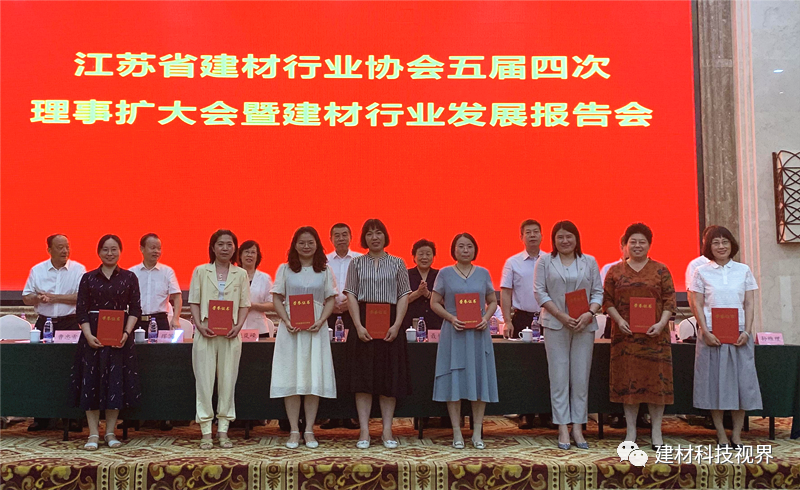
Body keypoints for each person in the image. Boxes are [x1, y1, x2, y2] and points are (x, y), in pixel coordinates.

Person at [603, 223, 676, 449]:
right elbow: (607, 301)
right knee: (629, 383)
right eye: (632, 242)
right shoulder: (615, 271)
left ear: (649, 244)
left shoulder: (661, 270)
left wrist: (661, 323)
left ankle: (656, 431)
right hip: (625, 339)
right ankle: (631, 431)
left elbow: (669, 301)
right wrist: (619, 320)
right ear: (625, 245)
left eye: (642, 242)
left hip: (656, 338)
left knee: (657, 384)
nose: (637, 245)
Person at [689, 226, 761, 448]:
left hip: (739, 335)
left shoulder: (743, 270)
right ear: (708, 247)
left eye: (725, 242)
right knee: (715, 386)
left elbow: (749, 303)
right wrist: (705, 331)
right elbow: (697, 304)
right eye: (716, 243)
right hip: (712, 335)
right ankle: (720, 433)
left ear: (732, 244)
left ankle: (736, 434)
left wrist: (747, 331)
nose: (721, 246)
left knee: (742, 385)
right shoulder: (701, 271)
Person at [533, 221, 603, 450]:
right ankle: (563, 426)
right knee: (559, 377)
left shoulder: (589, 261)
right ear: (553, 240)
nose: (565, 241)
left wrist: (589, 313)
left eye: (569, 236)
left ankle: (578, 427)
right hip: (555, 324)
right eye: (560, 237)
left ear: (576, 238)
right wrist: (561, 315)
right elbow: (539, 292)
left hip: (584, 325)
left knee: (580, 378)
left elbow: (598, 292)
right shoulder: (545, 261)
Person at [69, 235, 141, 450]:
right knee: (90, 382)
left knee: (115, 384)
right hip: (92, 337)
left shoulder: (129, 277)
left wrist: (126, 333)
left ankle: (110, 432)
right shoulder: (88, 278)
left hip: (119, 339)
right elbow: (81, 310)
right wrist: (88, 335)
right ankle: (93, 433)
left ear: (120, 251)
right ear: (98, 252)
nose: (110, 254)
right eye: (105, 249)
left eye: (114, 249)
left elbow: (135, 309)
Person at [344, 218, 412, 449]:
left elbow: (403, 295)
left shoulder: (398, 263)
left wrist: (397, 324)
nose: (374, 237)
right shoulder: (356, 263)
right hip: (363, 323)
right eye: (370, 233)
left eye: (378, 232)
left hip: (390, 324)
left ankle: (387, 430)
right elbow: (351, 294)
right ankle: (364, 431)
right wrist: (358, 325)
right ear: (364, 238)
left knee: (389, 379)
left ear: (385, 236)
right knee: (362, 379)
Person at [270, 227, 338, 449]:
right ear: (294, 245)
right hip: (291, 330)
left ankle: (309, 430)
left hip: (316, 330)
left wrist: (322, 320)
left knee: (312, 378)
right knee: (291, 378)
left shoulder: (325, 270)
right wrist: (286, 320)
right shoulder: (285, 269)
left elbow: (330, 299)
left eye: (310, 242)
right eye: (302, 242)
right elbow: (277, 298)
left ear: (317, 244)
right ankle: (293, 430)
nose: (306, 246)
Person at [430, 233, 499, 450]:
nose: (465, 250)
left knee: (479, 379)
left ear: (475, 249)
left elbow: (492, 301)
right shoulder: (444, 273)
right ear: (454, 250)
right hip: (454, 332)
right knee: (455, 381)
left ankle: (477, 432)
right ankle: (457, 433)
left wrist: (486, 318)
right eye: (461, 246)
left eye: (469, 246)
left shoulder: (483, 273)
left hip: (478, 333)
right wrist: (451, 318)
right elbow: (434, 302)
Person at [189, 229, 250, 449]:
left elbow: (244, 304)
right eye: (220, 244)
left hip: (230, 334)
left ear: (235, 248)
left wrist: (238, 326)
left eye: (229, 244)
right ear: (213, 247)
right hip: (206, 332)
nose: (225, 248)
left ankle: (223, 428)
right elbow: (194, 301)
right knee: (204, 382)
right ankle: (206, 429)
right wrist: (199, 325)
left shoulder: (241, 274)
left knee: (227, 381)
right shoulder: (200, 271)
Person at [22, 234, 86, 432]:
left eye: (67, 246)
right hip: (45, 324)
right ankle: (41, 418)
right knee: (41, 370)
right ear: (49, 250)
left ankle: (73, 417)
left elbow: (81, 297)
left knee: (72, 370)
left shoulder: (78, 270)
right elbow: (26, 297)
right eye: (60, 247)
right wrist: (38, 297)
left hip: (70, 324)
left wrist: (54, 297)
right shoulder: (37, 270)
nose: (65, 251)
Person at [499, 219, 546, 429]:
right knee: (524, 367)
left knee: (546, 366)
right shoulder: (513, 262)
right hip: (523, 319)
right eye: (528, 232)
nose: (532, 235)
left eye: (536, 232)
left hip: (547, 317)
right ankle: (525, 412)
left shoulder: (550, 260)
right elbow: (505, 292)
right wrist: (507, 320)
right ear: (521, 237)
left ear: (542, 235)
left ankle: (546, 413)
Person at [321, 222, 361, 431]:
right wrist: (331, 305)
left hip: (354, 316)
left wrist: (350, 304)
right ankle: (330, 414)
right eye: (337, 235)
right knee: (330, 363)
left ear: (351, 237)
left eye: (344, 234)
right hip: (328, 315)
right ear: (331, 239)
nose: (341, 238)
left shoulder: (360, 259)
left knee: (352, 363)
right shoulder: (323, 261)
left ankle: (351, 414)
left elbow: (366, 286)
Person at [130, 233, 182, 332]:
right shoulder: (132, 273)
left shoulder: (167, 271)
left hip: (160, 321)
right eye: (153, 248)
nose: (156, 251)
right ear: (142, 249)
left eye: (159, 248)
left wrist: (175, 319)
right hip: (137, 321)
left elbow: (177, 297)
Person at [237, 240, 274, 338]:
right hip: (235, 328)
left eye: (253, 252)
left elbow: (272, 304)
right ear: (240, 255)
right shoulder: (232, 276)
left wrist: (254, 306)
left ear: (257, 256)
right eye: (246, 252)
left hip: (259, 329)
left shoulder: (265, 278)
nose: (249, 255)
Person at [403, 239, 442, 331]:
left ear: (433, 257)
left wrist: (428, 294)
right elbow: (400, 301)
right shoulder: (405, 275)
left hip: (436, 323)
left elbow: (446, 301)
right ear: (414, 257)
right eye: (421, 254)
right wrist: (418, 293)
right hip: (410, 324)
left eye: (428, 254)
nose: (424, 257)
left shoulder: (440, 275)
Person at [685, 226, 718, 321]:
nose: (720, 246)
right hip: (707, 319)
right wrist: (701, 322)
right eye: (714, 242)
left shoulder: (736, 267)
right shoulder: (696, 265)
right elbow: (692, 297)